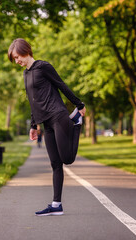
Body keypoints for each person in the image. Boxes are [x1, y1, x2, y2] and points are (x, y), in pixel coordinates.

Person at [8, 38, 86, 216]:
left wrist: (79, 105)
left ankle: (76, 124)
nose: (17, 61)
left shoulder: (43, 67)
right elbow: (32, 102)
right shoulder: (26, 74)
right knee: (55, 163)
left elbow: (61, 85)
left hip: (58, 115)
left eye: (17, 57)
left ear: (26, 51)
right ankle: (56, 204)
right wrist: (33, 125)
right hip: (46, 123)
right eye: (14, 59)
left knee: (67, 159)